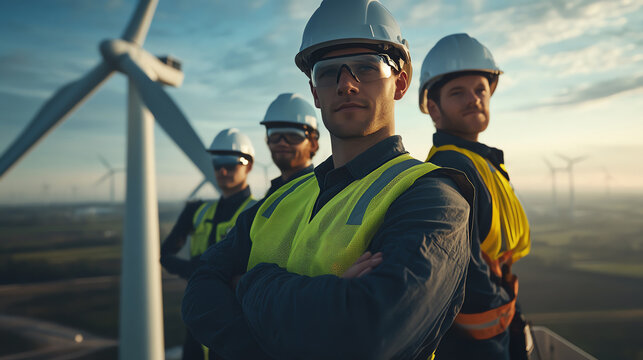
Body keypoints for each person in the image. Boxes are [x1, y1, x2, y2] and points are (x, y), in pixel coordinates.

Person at [182, 1, 475, 359]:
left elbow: (370, 331)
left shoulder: (433, 200)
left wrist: (250, 283)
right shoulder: (280, 200)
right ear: (316, 93)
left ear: (399, 84)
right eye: (329, 72)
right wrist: (320, 306)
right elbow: (199, 290)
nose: (346, 85)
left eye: (366, 68)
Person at [418, 33, 531, 360]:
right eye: (458, 92)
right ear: (433, 109)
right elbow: (467, 273)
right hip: (479, 340)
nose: (474, 99)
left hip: (500, 319)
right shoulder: (451, 166)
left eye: (480, 89)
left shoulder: (481, 162)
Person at [161, 128, 256, 360]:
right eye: (216, 163)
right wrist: (195, 271)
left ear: (249, 166)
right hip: (197, 321)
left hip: (237, 325)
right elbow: (164, 254)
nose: (222, 170)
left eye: (231, 163)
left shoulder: (260, 211)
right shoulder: (197, 210)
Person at [260, 93, 319, 196]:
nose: (282, 142)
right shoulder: (272, 193)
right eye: (275, 135)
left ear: (313, 143)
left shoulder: (320, 191)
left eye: (294, 136)